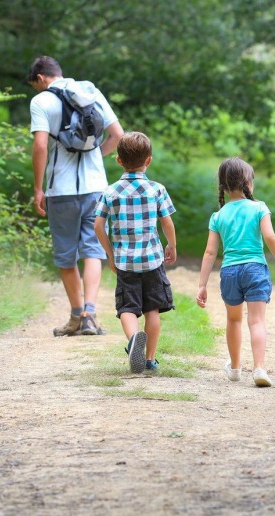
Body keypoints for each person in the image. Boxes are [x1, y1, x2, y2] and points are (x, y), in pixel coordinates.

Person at [28, 55, 124, 337]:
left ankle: (75, 317)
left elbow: (40, 146)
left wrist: (38, 188)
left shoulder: (41, 101)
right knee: (93, 250)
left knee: (66, 256)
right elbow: (117, 134)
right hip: (96, 187)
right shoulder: (90, 91)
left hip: (61, 190)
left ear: (41, 78)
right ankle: (90, 315)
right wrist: (96, 155)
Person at [196, 157, 275, 388]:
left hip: (229, 271)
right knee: (256, 321)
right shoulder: (259, 207)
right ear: (248, 182)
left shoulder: (218, 216)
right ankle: (259, 367)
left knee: (233, 319)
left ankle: (236, 368)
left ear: (223, 186)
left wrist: (202, 284)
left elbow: (210, 252)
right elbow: (269, 237)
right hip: (255, 269)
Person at [94, 132, 177, 374]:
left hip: (124, 262)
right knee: (152, 309)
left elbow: (98, 225)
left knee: (128, 308)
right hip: (152, 259)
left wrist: (110, 254)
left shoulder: (111, 192)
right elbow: (167, 222)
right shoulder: (156, 189)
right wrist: (171, 245)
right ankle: (150, 359)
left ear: (118, 160)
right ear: (148, 160)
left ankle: (133, 341)